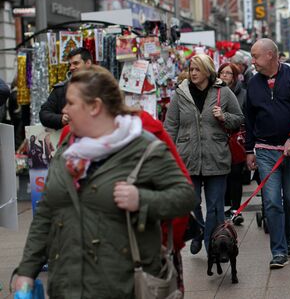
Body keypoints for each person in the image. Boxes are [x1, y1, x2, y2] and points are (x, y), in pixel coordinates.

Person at [12, 68, 195, 298]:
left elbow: (185, 195)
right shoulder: (68, 149)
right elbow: (46, 214)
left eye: (70, 103)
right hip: (67, 286)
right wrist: (26, 272)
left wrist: (142, 200)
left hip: (122, 285)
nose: (64, 110)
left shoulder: (143, 146)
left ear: (95, 107)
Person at [245, 38, 290, 269]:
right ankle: (279, 251)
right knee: (272, 202)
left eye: (255, 56)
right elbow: (250, 117)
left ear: (271, 56)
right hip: (265, 150)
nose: (252, 61)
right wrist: (249, 149)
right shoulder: (253, 84)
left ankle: (288, 238)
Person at [165, 54, 244, 255]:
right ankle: (200, 229)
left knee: (216, 206)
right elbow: (171, 126)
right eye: (191, 69)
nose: (193, 73)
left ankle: (213, 247)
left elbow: (238, 119)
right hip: (187, 156)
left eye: (197, 69)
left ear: (208, 71)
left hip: (216, 156)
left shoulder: (223, 92)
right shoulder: (180, 94)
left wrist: (224, 116)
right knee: (191, 203)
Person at [218, 63, 246, 225]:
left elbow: (245, 116)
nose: (225, 76)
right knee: (222, 175)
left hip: (237, 139)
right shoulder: (215, 92)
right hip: (219, 139)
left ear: (235, 76)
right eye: (222, 73)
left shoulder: (243, 94)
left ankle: (236, 208)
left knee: (236, 175)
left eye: (228, 73)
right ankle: (224, 207)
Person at [40, 47, 93, 129]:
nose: (71, 67)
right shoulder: (61, 89)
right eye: (70, 64)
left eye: (76, 63)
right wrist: (61, 119)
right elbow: (44, 114)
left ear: (88, 63)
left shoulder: (102, 87)